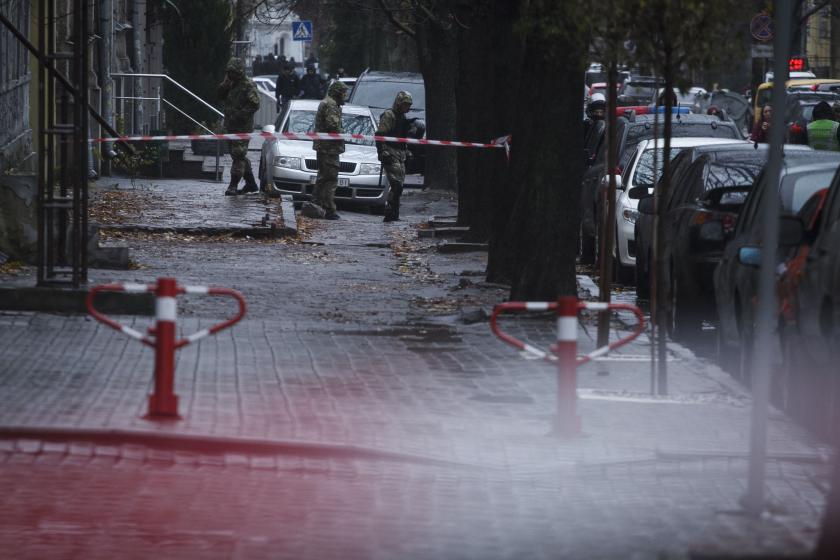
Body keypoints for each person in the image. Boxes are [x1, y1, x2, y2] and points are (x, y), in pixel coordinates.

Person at [217, 58, 260, 196]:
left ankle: (233, 185)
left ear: (239, 72)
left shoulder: (248, 85)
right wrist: (224, 85)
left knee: (238, 155)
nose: (231, 75)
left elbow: (255, 104)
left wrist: (239, 115)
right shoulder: (231, 84)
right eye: (229, 72)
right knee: (237, 155)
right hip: (230, 127)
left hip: (242, 128)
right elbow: (219, 96)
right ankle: (251, 184)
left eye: (233, 73)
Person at [311, 80, 349, 220]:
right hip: (329, 148)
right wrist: (345, 134)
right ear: (337, 92)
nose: (345, 96)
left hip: (325, 147)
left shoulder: (329, 103)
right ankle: (328, 209)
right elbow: (333, 125)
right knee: (330, 178)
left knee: (323, 177)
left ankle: (316, 206)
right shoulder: (332, 105)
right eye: (344, 93)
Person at [376, 91, 413, 222]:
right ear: (399, 103)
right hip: (390, 152)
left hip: (400, 154)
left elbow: (402, 137)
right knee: (396, 184)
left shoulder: (402, 118)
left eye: (409, 105)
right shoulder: (389, 115)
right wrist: (383, 151)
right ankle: (389, 213)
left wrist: (407, 150)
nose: (407, 107)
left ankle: (394, 214)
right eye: (405, 104)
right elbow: (380, 134)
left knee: (400, 185)